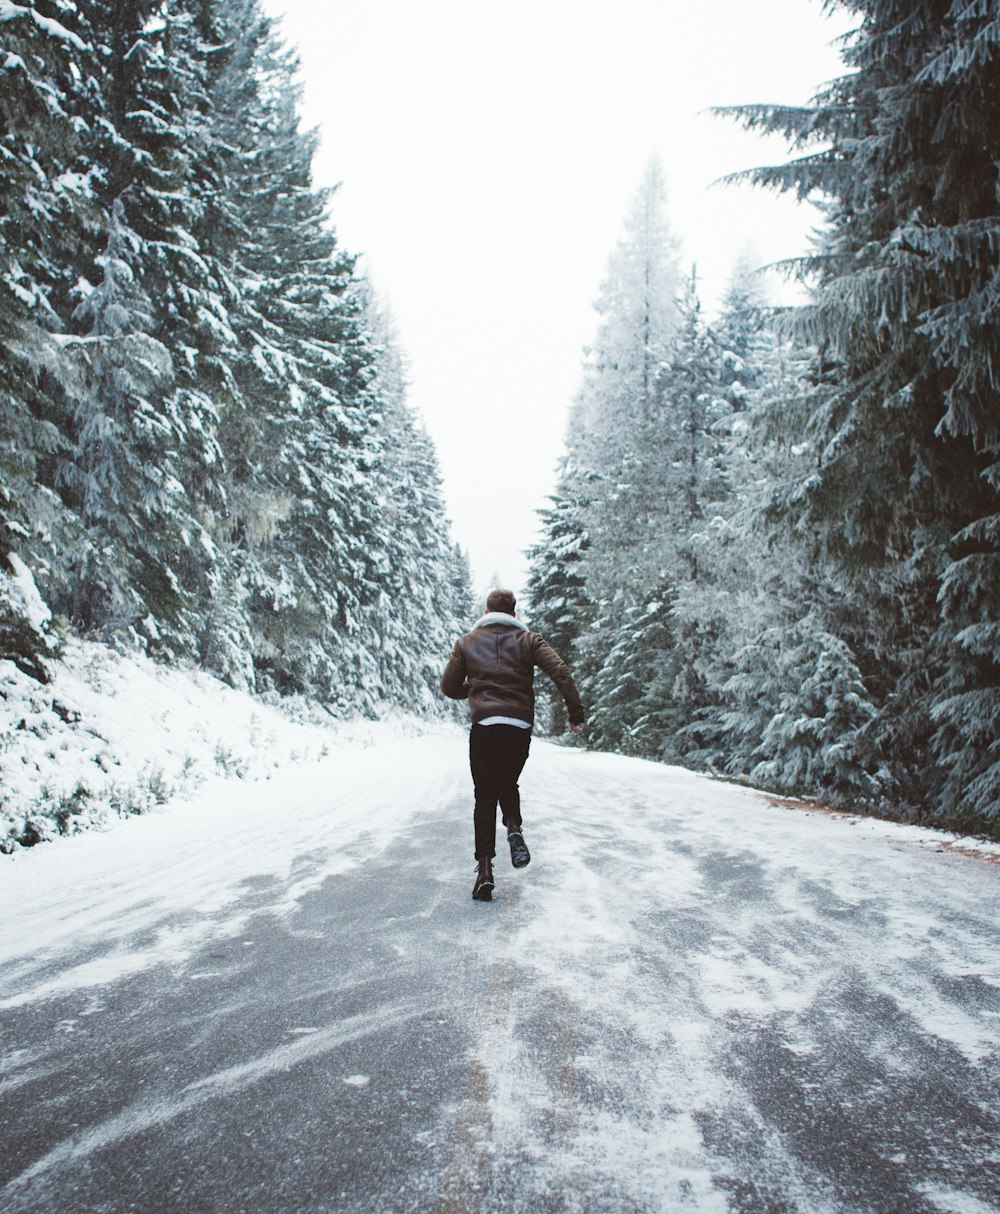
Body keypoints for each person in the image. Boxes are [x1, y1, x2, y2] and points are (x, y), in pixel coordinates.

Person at [440, 588, 585, 901]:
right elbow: (560, 671)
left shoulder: (467, 642)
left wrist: (476, 689)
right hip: (519, 725)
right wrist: (576, 712)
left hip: (485, 725)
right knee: (507, 780)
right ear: (514, 614)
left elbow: (449, 686)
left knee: (485, 793)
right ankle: (514, 826)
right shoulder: (530, 640)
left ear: (486, 609)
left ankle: (485, 870)